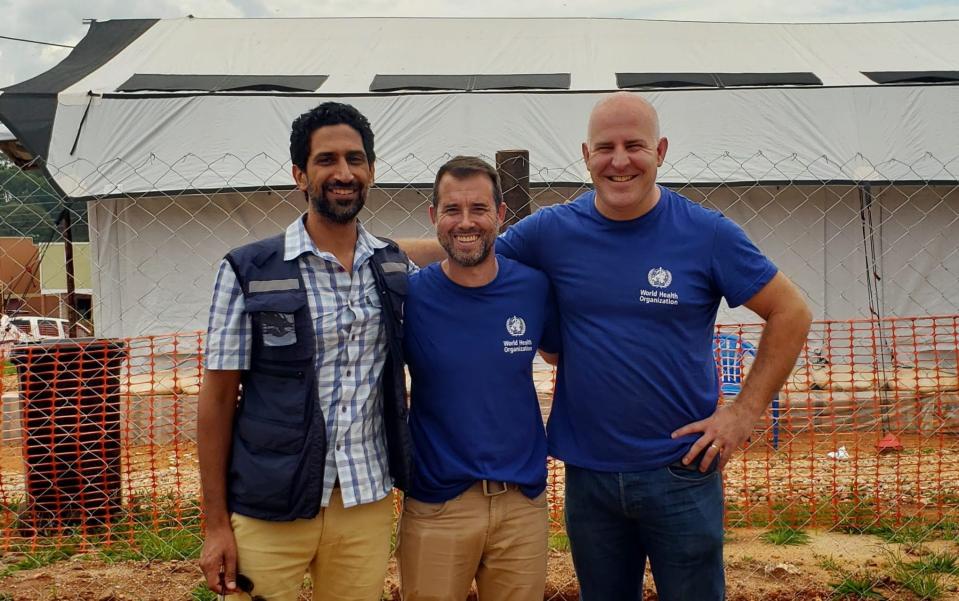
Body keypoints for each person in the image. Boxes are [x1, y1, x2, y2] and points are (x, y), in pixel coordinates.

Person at [401, 92, 812, 600]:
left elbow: (791, 311)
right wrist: (360, 251)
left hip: (681, 470)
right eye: (606, 147)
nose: (620, 161)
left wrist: (744, 412)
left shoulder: (705, 234)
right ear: (585, 154)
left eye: (634, 145)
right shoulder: (553, 231)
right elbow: (467, 248)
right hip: (589, 475)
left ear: (660, 151)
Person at [197, 101, 413, 601]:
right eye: (327, 160)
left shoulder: (392, 268)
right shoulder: (247, 270)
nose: (344, 173)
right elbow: (216, 399)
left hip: (365, 502)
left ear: (372, 171)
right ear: (300, 174)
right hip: (269, 505)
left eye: (356, 160)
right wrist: (215, 525)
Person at [397, 156, 557, 601]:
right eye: (452, 210)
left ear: (501, 215)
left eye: (479, 209)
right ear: (434, 218)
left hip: (521, 505)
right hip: (438, 504)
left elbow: (561, 354)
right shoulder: (410, 296)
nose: (465, 222)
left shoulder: (533, 287)